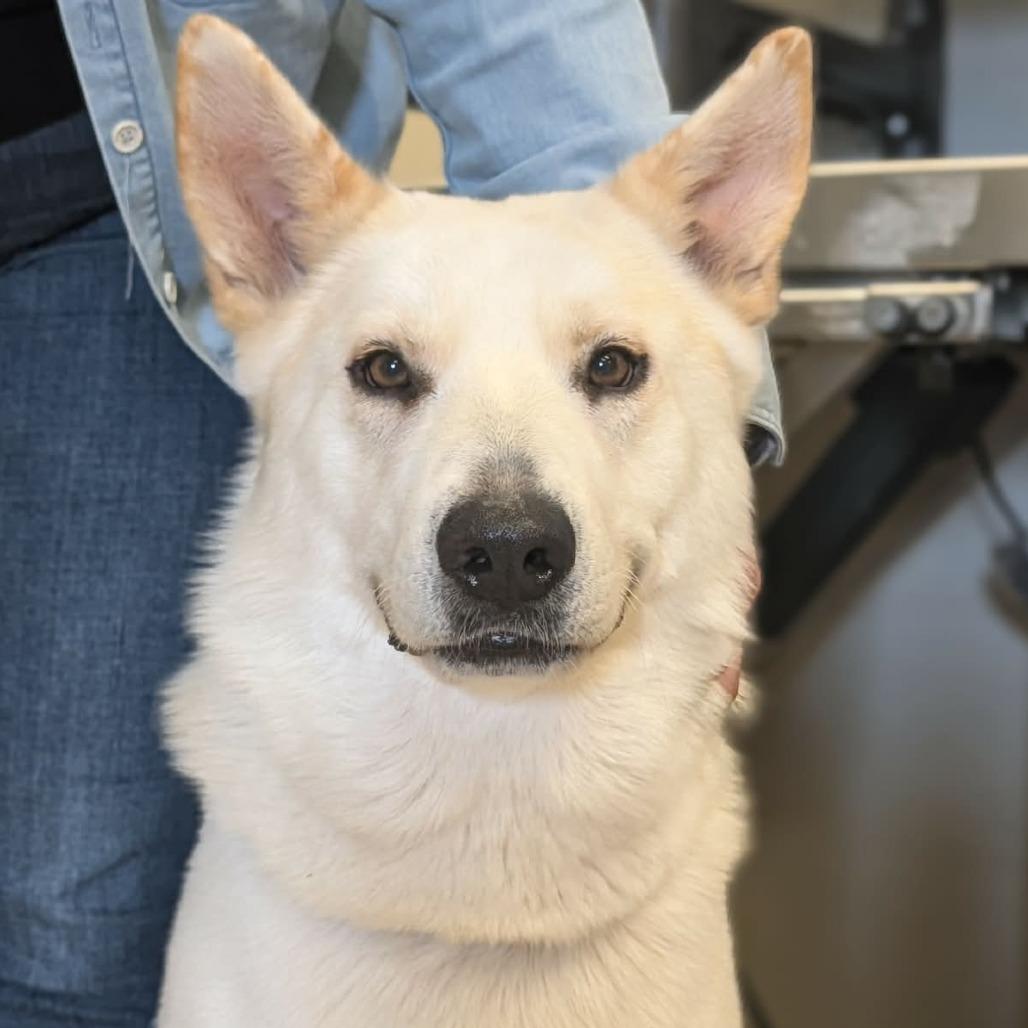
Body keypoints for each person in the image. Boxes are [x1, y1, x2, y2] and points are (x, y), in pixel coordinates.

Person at [0, 1, 783, 1024]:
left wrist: (713, 441)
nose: (506, 538)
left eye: (608, 367)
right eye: (387, 371)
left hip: (91, 195)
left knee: (71, 907)